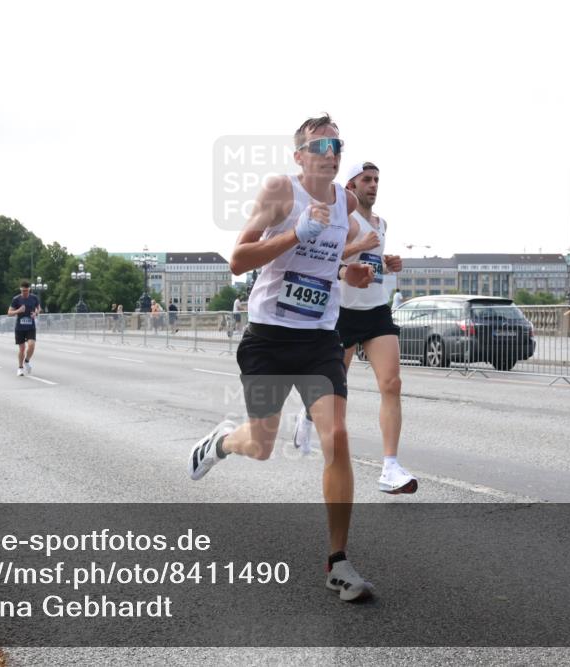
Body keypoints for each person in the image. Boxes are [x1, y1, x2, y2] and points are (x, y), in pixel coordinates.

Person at [188, 114, 377, 602]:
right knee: (261, 444)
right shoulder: (281, 192)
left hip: (318, 339)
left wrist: (350, 272)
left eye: (338, 144)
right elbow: (238, 259)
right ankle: (221, 443)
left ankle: (338, 561)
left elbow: (329, 260)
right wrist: (296, 232)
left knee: (336, 435)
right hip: (269, 337)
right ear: (300, 155)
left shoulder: (346, 202)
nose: (331, 151)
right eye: (321, 144)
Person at [292, 162, 417, 494]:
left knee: (392, 383)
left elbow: (372, 265)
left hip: (376, 310)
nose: (374, 185)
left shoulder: (382, 222)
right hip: (343, 313)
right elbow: (327, 260)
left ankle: (390, 467)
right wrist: (359, 245)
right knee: (335, 389)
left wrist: (389, 263)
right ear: (351, 185)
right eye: (367, 179)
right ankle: (306, 413)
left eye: (377, 179)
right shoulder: (343, 220)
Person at [7, 280, 40, 376]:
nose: (24, 292)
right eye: (23, 291)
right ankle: (20, 368)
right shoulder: (16, 299)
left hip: (30, 326)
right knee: (22, 349)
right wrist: (18, 310)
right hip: (20, 328)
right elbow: (9, 313)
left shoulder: (34, 298)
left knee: (31, 345)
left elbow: (39, 308)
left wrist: (36, 313)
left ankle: (27, 361)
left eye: (26, 290)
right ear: (20, 289)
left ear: (29, 289)